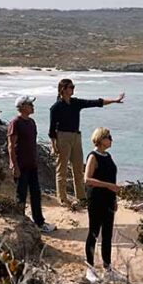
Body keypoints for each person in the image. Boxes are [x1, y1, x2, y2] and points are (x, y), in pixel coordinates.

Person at [48, 79, 125, 208]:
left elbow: (95, 102)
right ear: (63, 89)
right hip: (62, 137)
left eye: (73, 87)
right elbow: (51, 129)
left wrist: (114, 101)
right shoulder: (56, 107)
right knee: (61, 170)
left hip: (76, 137)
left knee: (78, 169)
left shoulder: (75, 102)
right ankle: (62, 199)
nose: (73, 89)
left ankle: (82, 198)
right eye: (70, 87)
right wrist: (54, 144)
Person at [7, 95, 56, 234]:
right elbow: (10, 146)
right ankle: (20, 222)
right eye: (30, 104)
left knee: (36, 194)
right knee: (20, 195)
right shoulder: (15, 123)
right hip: (21, 165)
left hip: (32, 165)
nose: (33, 107)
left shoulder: (32, 122)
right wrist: (14, 166)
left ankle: (39, 223)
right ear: (22, 106)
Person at [84, 126, 122, 282]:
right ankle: (90, 268)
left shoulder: (108, 156)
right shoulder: (93, 156)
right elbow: (87, 179)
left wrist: (114, 198)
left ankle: (108, 267)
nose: (111, 139)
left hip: (108, 200)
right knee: (94, 233)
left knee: (107, 234)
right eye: (109, 136)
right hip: (96, 199)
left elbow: (111, 180)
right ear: (101, 139)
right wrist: (108, 186)